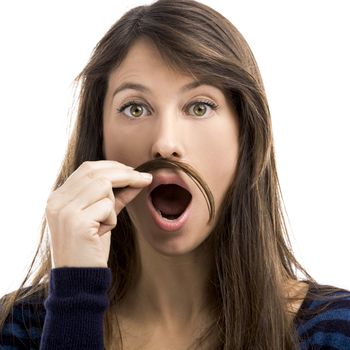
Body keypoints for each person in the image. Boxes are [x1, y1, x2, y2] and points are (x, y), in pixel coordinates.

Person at [1, 0, 350, 349]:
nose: (165, 144)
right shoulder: (18, 330)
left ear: (245, 135)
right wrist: (75, 294)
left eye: (200, 107)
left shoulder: (335, 332)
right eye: (135, 108)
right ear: (100, 137)